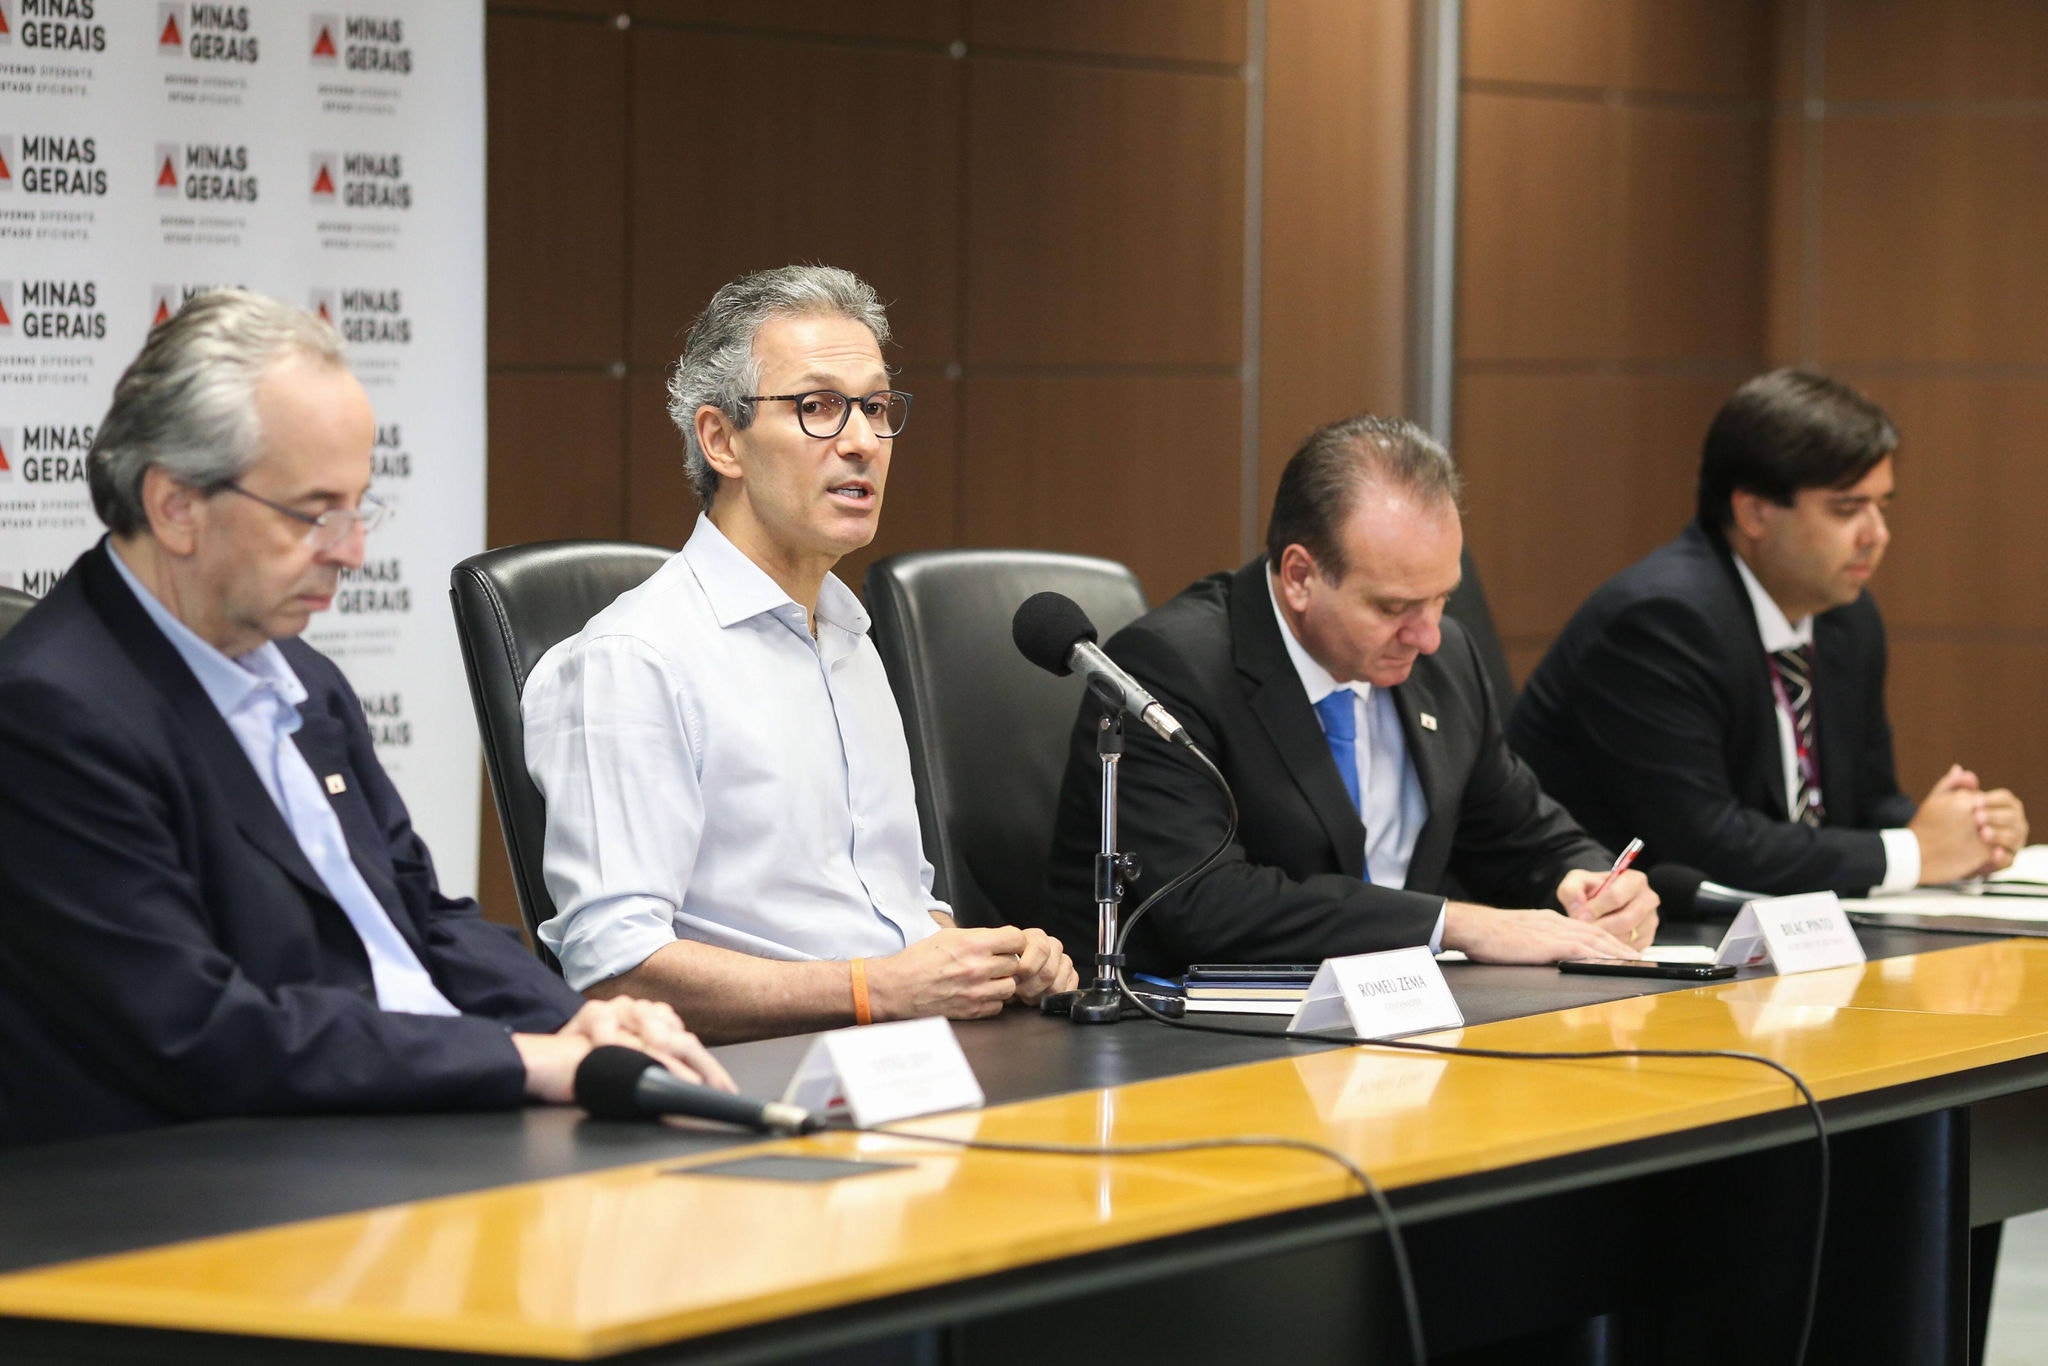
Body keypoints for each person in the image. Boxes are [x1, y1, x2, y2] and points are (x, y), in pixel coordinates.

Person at [0, 290, 729, 1149]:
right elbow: (197, 1030)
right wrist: (523, 1060)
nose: (352, 551)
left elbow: (421, 914)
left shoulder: (304, 678)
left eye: (357, 509)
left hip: (408, 1111)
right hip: (212, 1174)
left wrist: (584, 1025)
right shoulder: (52, 712)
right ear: (175, 507)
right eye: (314, 514)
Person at [523, 265, 1076, 1042]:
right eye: (819, 408)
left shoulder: (850, 639)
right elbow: (616, 963)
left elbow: (898, 908)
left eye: (876, 409)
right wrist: (873, 989)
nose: (862, 443)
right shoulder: (633, 659)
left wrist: (982, 959)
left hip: (907, 1055)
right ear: (722, 440)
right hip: (757, 1089)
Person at [1037, 415, 1656, 975]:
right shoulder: (1167, 670)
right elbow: (1205, 903)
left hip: (1410, 1026)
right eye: (1394, 606)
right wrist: (1455, 923)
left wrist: (1591, 886)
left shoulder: (1445, 662)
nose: (1430, 635)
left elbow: (1523, 834)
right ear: (1301, 576)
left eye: (1443, 597)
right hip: (1200, 1039)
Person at [1509, 369, 2028, 897]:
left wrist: (1966, 827)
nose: (1878, 535)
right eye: (1847, 509)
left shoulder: (1846, 618)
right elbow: (1707, 842)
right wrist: (1915, 852)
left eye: (1883, 506)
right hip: (1621, 942)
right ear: (1754, 512)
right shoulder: (1661, 621)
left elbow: (1863, 803)